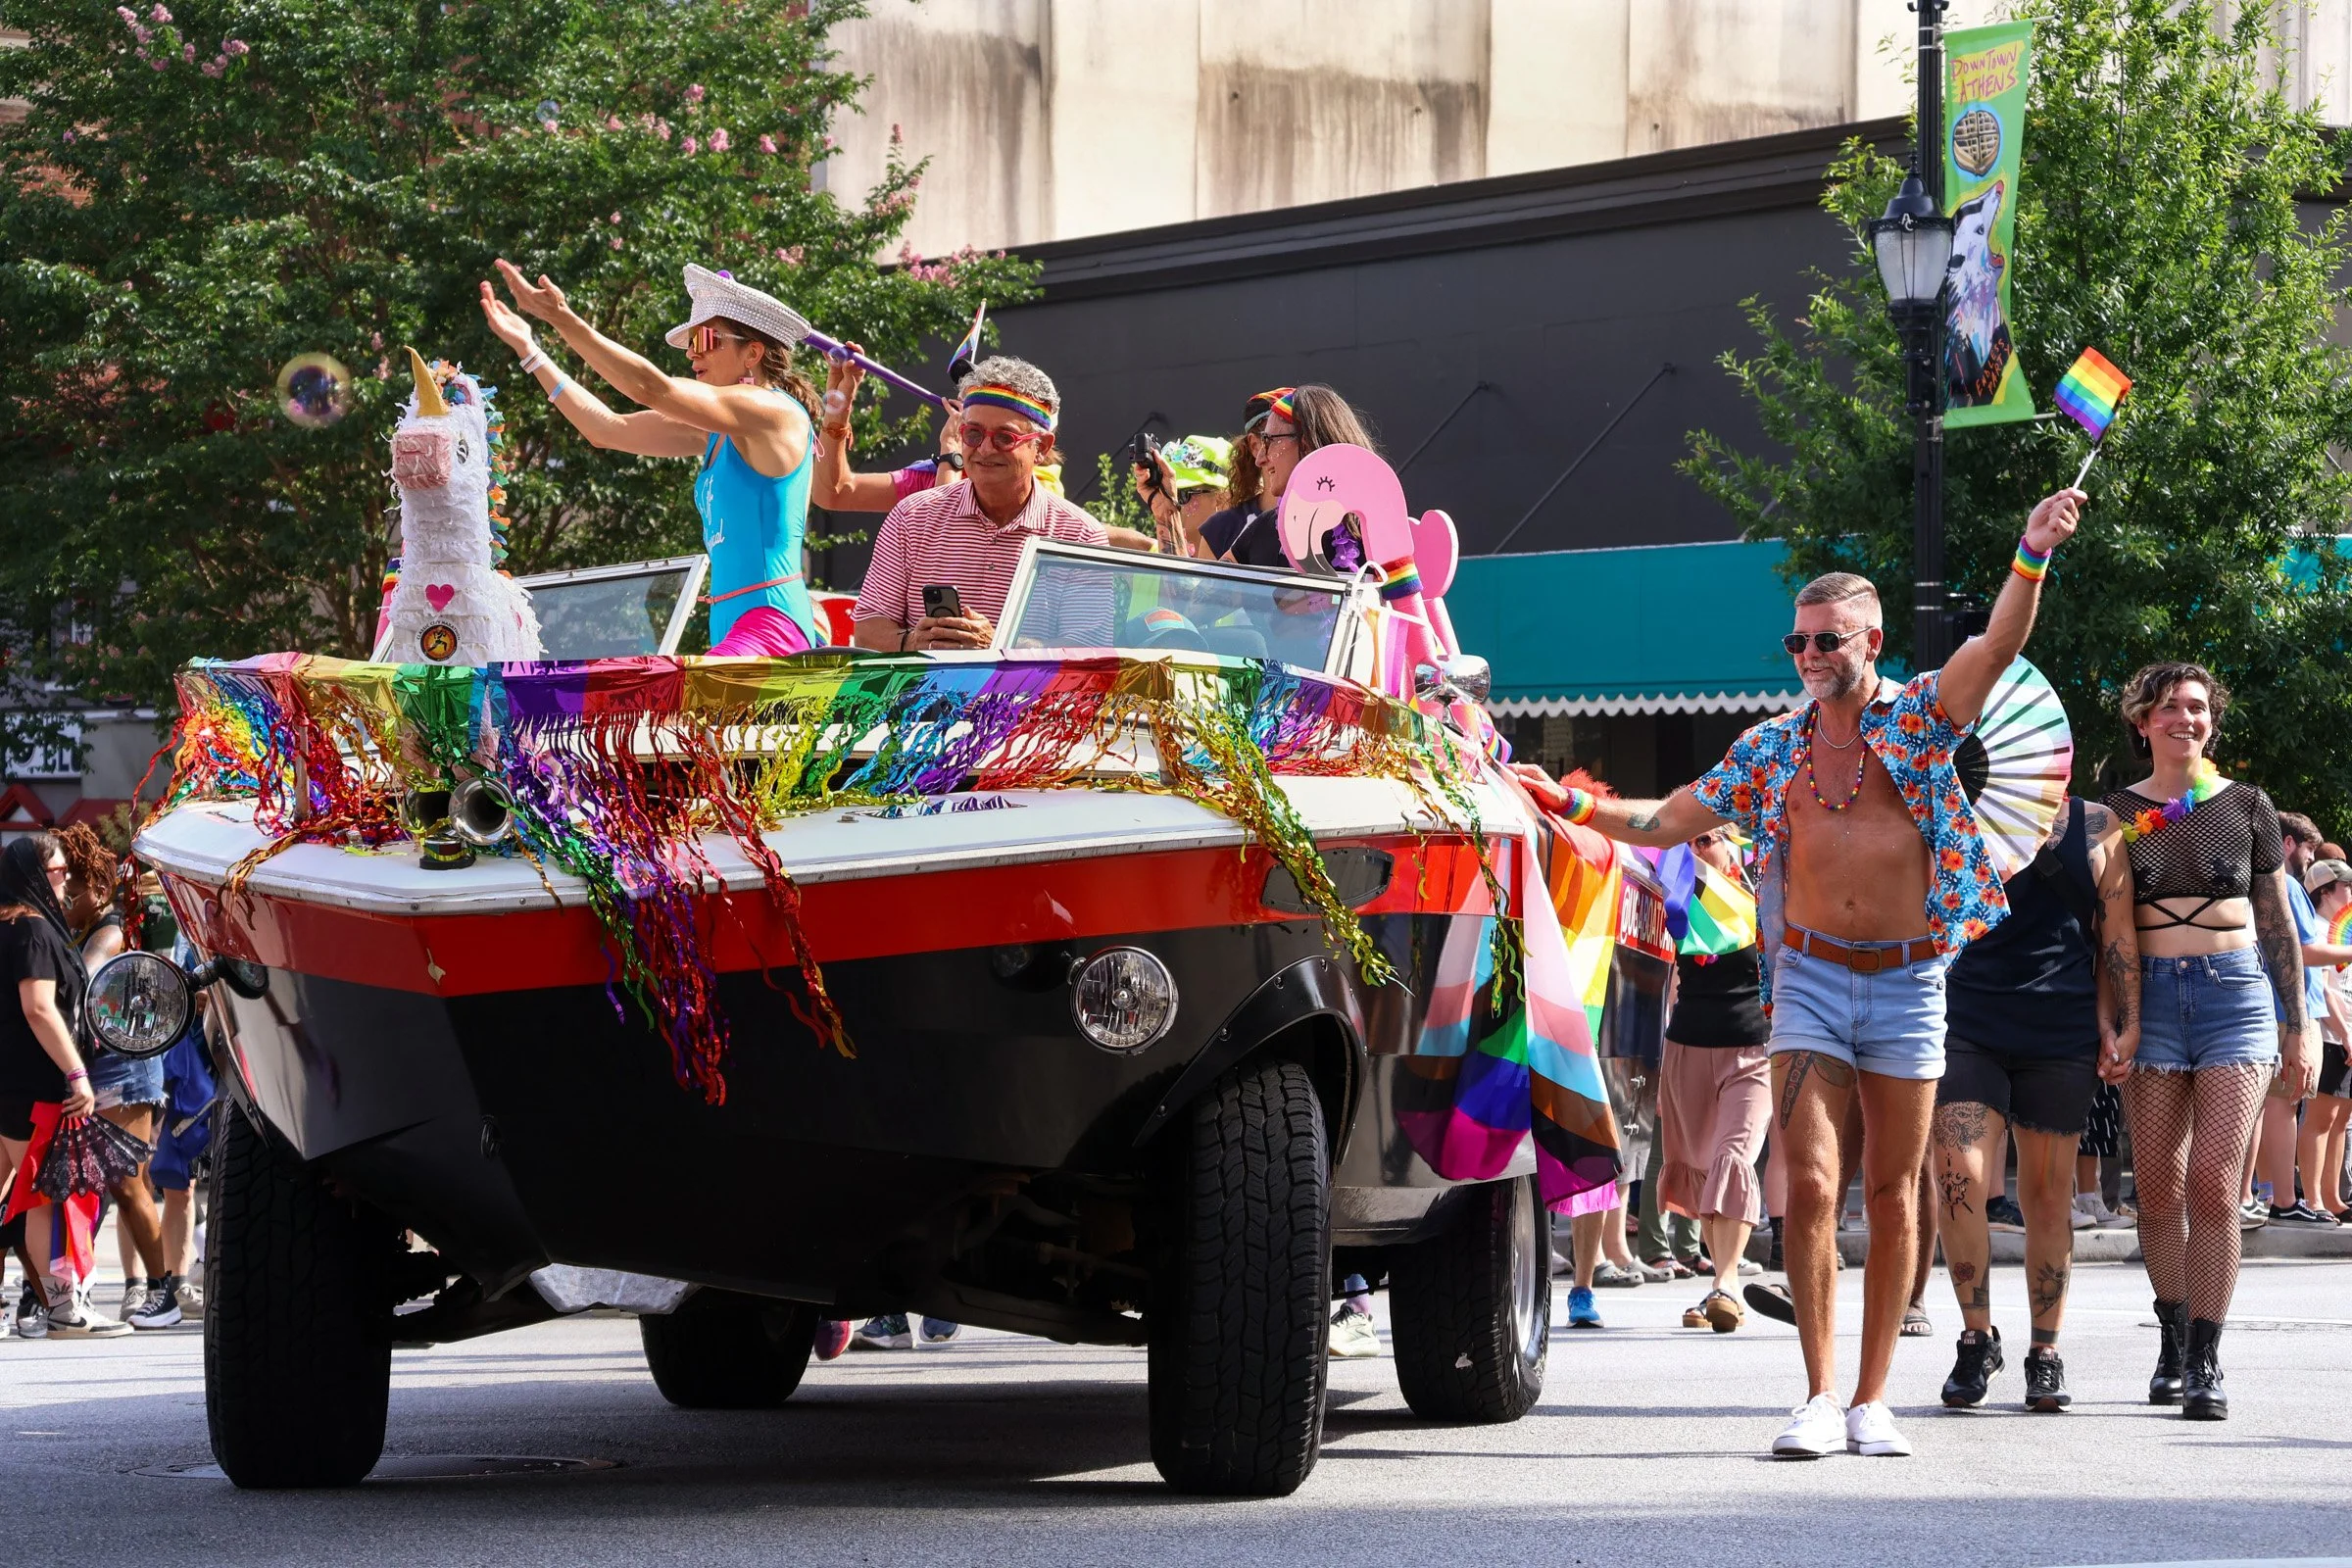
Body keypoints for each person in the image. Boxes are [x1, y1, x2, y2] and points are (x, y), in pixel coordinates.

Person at [1515, 487, 2084, 1459]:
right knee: (1813, 1185)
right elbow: (1670, 819)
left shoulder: (1920, 724)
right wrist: (1567, 800)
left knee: (1897, 1192)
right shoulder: (1773, 750)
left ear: (1868, 639)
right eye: (1798, 643)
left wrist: (2031, 550)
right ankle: (1819, 1395)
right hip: (1811, 983)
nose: (1809, 657)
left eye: (1827, 641)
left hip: (1908, 982)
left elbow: (1993, 645)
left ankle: (1873, 1401)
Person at [2104, 662, 2318, 1421]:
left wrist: (2300, 1025)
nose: (2183, 719)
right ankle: (2170, 1334)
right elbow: (2112, 930)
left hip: (2238, 1000)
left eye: (2196, 708)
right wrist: (2116, 1017)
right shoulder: (2115, 813)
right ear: (2142, 723)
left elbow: (2276, 922)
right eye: (2167, 709)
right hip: (2154, 1002)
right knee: (2158, 1189)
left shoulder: (2247, 805)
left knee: (2216, 1184)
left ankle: (2206, 1357)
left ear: (2212, 720)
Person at [480, 260, 824, 655]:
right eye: (691, 344)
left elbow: (650, 387)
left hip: (770, 622)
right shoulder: (716, 430)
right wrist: (530, 350)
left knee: (676, 702)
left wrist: (563, 319)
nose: (692, 355)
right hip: (733, 625)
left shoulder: (773, 413)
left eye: (705, 340)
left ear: (753, 353)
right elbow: (607, 429)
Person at [1931, 794, 2138, 1413]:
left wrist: (2124, 1021)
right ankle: (1976, 1337)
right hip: (1968, 1018)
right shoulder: (1950, 808)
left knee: (2048, 1197)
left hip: (2061, 1028)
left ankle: (2044, 1352)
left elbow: (2117, 934)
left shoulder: (2096, 825)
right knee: (1958, 1178)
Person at [849, 356, 1106, 651]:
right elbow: (868, 629)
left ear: (1042, 447)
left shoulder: (1079, 535)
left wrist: (997, 645)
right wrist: (915, 641)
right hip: (923, 696)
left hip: (1026, 698)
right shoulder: (913, 517)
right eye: (973, 433)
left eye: (1004, 438)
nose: (984, 449)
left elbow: (1088, 654)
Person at [0, 834, 128, 1337]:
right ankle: (62, 1308)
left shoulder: (10, 926)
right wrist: (77, 1071)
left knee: (30, 1192)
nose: (66, 882)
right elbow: (38, 1008)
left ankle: (61, 1306)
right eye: (58, 872)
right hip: (36, 1085)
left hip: (13, 1082)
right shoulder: (32, 930)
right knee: (45, 1198)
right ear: (35, 874)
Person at [55, 826, 180, 1329]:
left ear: (101, 891)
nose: (64, 897)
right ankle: (66, 1290)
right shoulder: (83, 926)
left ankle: (162, 1293)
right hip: (105, 1064)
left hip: (125, 1068)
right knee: (113, 1182)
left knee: (127, 1184)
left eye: (74, 889)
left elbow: (83, 977)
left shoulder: (108, 930)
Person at [1658, 827, 1773, 1333]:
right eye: (1690, 842)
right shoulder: (1675, 893)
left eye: (1707, 838)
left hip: (1753, 1050)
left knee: (1733, 1159)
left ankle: (1724, 1284)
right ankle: (1716, 1290)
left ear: (1732, 843)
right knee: (1704, 1172)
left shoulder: (1764, 892)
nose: (1697, 849)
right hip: (1687, 1048)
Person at [2254, 811, 2351, 1225]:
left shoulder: (2280, 885)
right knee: (2284, 1105)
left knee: (2278, 1106)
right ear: (2289, 844)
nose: (2310, 859)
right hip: (2292, 1012)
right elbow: (2305, 952)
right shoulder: (2287, 884)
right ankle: (2284, 1199)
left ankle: (2273, 1196)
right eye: (2309, 849)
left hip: (2289, 1010)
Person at [1197, 386, 1379, 568]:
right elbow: (1210, 593)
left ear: (1305, 444)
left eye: (1269, 441)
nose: (1260, 459)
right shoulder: (1265, 527)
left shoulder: (1377, 526)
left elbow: (1404, 594)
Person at [808, 343, 966, 514]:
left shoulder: (997, 481)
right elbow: (833, 493)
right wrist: (839, 402)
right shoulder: (930, 476)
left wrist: (951, 451)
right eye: (965, 398)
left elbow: (944, 534)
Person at [2300, 857, 2352, 1219]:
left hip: (2347, 1034)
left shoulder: (2342, 929)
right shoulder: (2317, 930)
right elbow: (2324, 990)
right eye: (2347, 886)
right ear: (2326, 891)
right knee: (2320, 1119)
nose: (2351, 892)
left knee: (2340, 1122)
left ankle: (2333, 1199)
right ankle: (2313, 1199)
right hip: (2330, 1035)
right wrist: (2346, 1033)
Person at [1130, 436, 1234, 559]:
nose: (1171, 501)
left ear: (1223, 498)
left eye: (1182, 494)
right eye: (1165, 490)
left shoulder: (1246, 560)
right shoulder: (1154, 553)